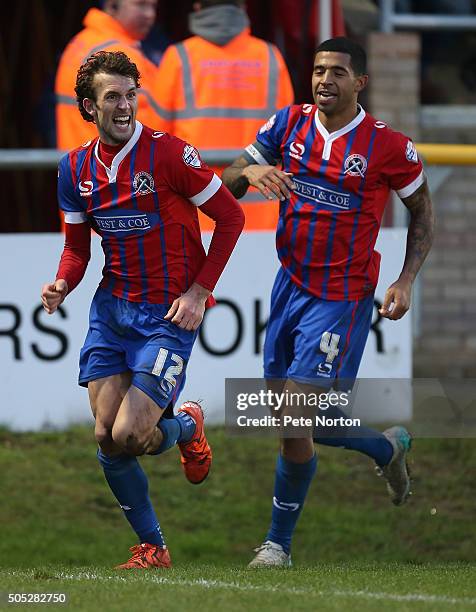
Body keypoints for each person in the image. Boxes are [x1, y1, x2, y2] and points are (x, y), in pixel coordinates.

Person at [222, 37, 434, 567]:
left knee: (297, 414)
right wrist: (249, 173)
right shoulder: (288, 125)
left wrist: (406, 280)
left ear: (359, 83)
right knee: (291, 419)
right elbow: (227, 179)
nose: (324, 81)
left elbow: (424, 215)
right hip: (289, 283)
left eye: (337, 72)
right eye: (318, 71)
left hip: (341, 297)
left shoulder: (388, 146)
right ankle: (387, 449)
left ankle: (277, 546)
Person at [42, 50, 244, 569]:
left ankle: (188, 427)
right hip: (112, 312)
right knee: (108, 439)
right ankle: (153, 547)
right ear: (89, 106)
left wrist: (200, 292)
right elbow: (77, 248)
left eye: (132, 95)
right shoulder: (75, 168)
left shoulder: (171, 155)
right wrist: (63, 283)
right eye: (113, 97)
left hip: (167, 316)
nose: (126, 105)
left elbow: (231, 217)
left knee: (132, 435)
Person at [153, 0, 294, 231]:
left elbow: (154, 140)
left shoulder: (178, 57)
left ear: (197, 7)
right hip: (262, 212)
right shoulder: (270, 57)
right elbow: (289, 134)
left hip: (198, 209)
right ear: (243, 7)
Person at [55, 0, 162, 151]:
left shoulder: (82, 42)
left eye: (153, 6)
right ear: (112, 5)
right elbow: (146, 124)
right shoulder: (118, 53)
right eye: (141, 5)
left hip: (82, 163)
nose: (150, 14)